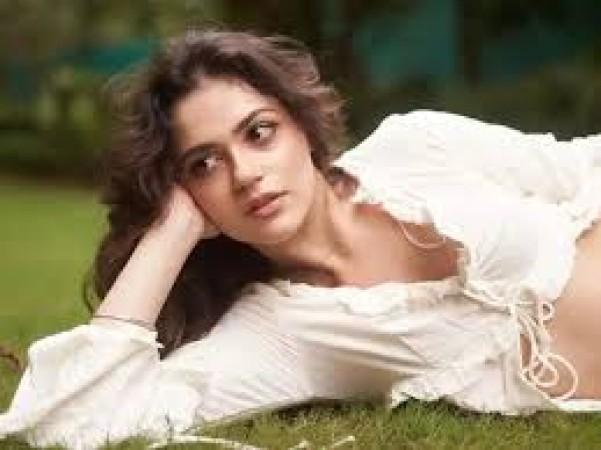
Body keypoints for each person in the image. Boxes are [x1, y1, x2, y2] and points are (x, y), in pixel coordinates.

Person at [1, 28, 601, 450]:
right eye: (204, 164)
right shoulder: (282, 332)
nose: (244, 174)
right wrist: (168, 234)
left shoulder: (419, 146)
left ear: (302, 127)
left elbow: (579, 164)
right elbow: (73, 422)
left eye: (259, 133)